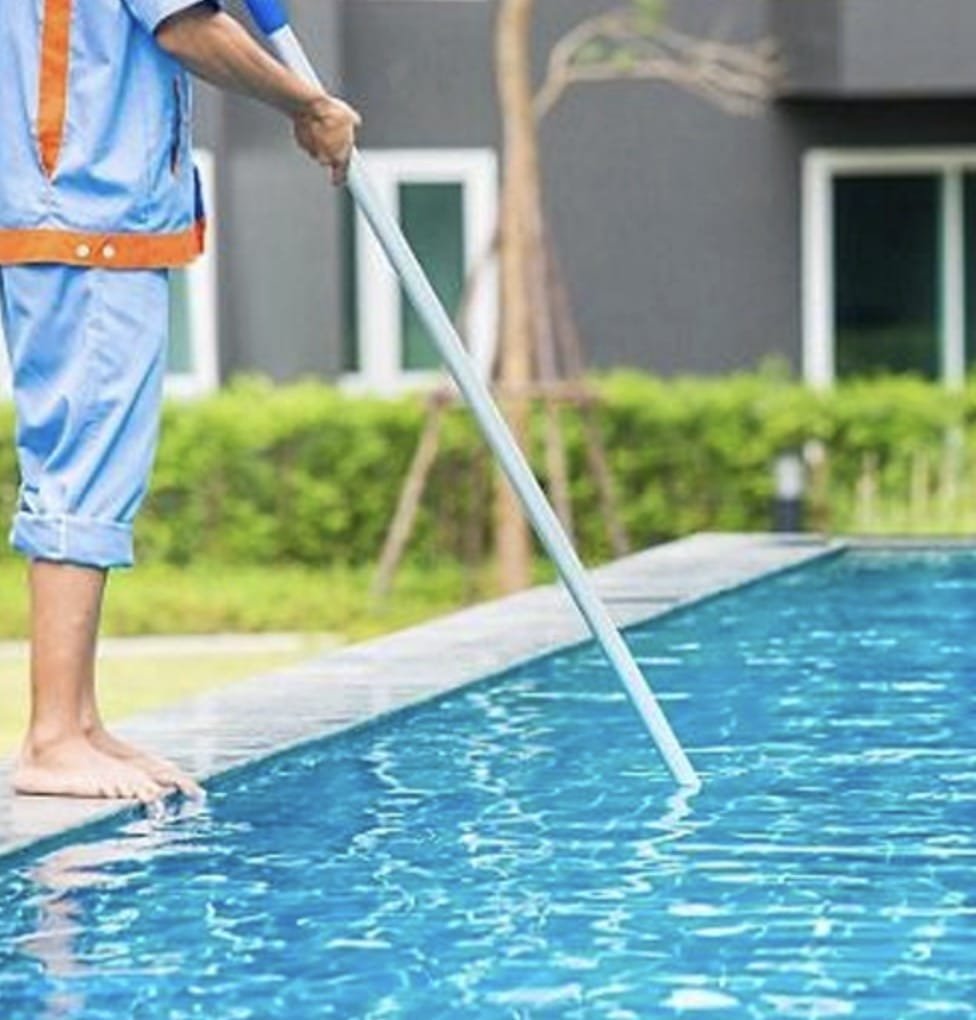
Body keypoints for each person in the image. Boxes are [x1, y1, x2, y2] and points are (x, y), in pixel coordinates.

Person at [0, 1, 360, 802]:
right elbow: (183, 25)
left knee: (96, 459)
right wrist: (310, 105)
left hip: (88, 209)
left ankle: (80, 722)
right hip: (85, 210)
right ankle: (54, 734)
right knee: (84, 458)